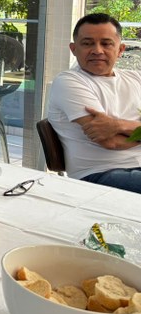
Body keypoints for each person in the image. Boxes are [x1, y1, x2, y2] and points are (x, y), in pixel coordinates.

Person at [47, 13, 141, 193]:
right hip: (100, 174)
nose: (97, 50)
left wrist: (116, 124)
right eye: (88, 43)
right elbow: (110, 141)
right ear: (74, 49)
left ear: (120, 50)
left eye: (106, 43)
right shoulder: (69, 81)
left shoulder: (136, 79)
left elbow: (113, 132)